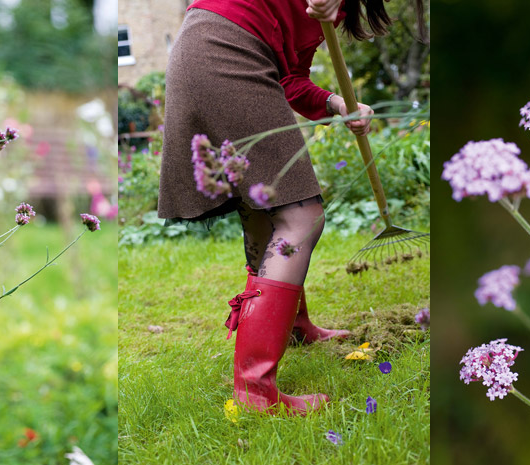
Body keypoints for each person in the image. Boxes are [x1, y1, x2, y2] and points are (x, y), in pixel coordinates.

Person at [157, 0, 396, 415]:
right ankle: (255, 392)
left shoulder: (329, 10)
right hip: (224, 45)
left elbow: (291, 80)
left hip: (211, 45)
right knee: (301, 215)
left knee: (264, 208)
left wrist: (337, 104)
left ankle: (294, 328)